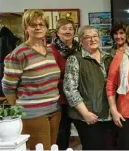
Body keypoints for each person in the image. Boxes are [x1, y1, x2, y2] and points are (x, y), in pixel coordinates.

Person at [1, 9, 61, 150]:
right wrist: (19, 107)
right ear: (26, 27)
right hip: (33, 114)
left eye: (41, 24)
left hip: (55, 110)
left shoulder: (50, 51)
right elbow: (8, 86)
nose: (38, 27)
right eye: (33, 25)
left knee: (52, 148)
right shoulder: (18, 54)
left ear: (46, 27)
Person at [63, 25, 113, 150]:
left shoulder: (109, 58)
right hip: (88, 117)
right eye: (87, 37)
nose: (92, 39)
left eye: (95, 36)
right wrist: (85, 114)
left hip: (108, 115)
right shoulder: (75, 59)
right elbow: (70, 89)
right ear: (81, 41)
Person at [50, 18, 80, 150]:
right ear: (57, 32)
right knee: (62, 132)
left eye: (70, 29)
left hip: (78, 96)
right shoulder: (51, 50)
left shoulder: (79, 48)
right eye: (64, 28)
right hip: (60, 98)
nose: (68, 31)